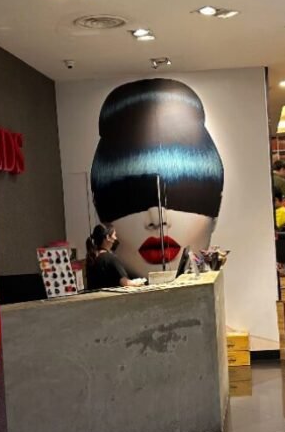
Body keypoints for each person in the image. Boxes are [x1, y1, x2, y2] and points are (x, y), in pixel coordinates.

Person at [90, 79, 224, 278]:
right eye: (128, 198)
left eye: (187, 198)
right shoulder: (105, 261)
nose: (158, 219)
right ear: (100, 211)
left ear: (216, 208)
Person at [85, 224, 145, 289]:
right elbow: (126, 283)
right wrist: (139, 281)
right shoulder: (111, 259)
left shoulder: (91, 259)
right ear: (108, 237)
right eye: (114, 235)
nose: (116, 238)